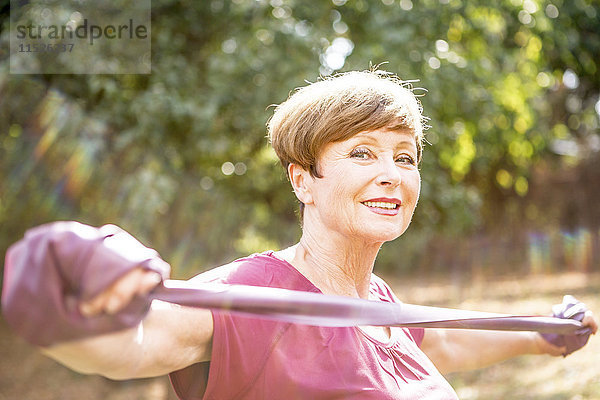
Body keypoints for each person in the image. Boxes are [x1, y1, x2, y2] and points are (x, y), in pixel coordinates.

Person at [2, 70, 597, 399]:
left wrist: (543, 337)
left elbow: (435, 347)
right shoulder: (251, 292)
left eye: (406, 157)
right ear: (303, 181)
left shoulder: (381, 302)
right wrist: (62, 301)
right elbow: (133, 346)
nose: (393, 174)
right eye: (363, 153)